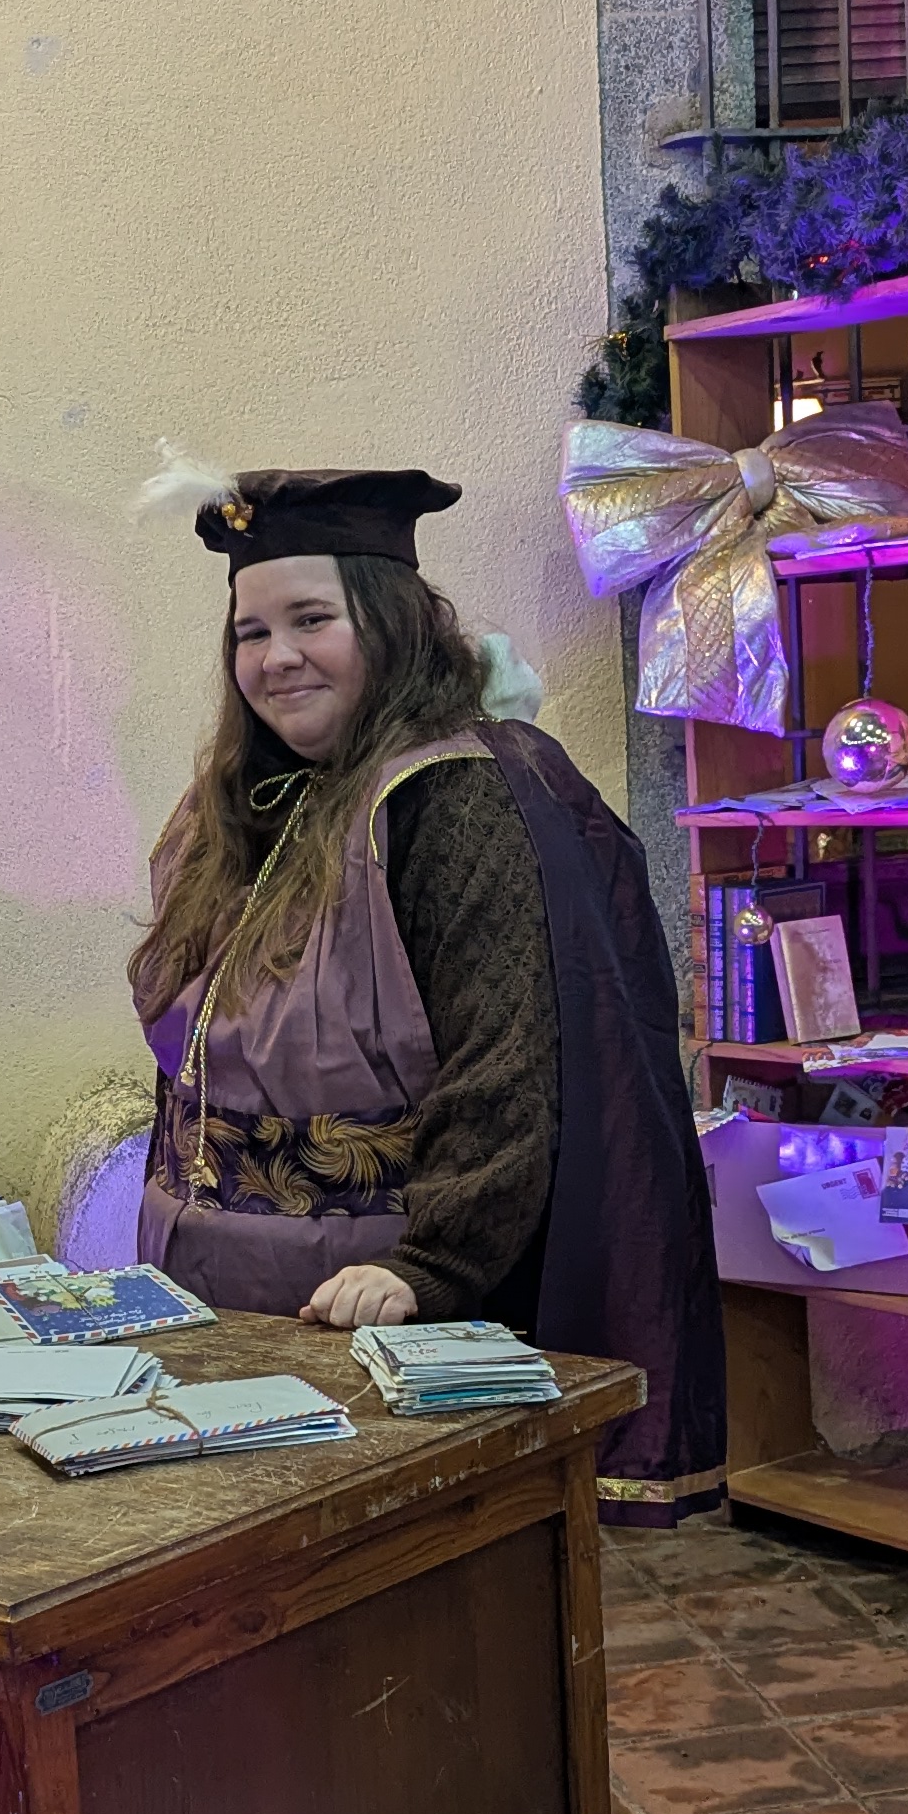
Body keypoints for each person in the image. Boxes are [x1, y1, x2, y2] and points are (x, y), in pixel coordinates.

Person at [129, 462, 724, 1522]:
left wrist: (431, 1267)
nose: (275, 657)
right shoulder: (239, 806)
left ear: (392, 621)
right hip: (211, 1299)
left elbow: (512, 1058)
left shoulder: (455, 797)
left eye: (311, 620)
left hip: (371, 1308)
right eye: (250, 633)